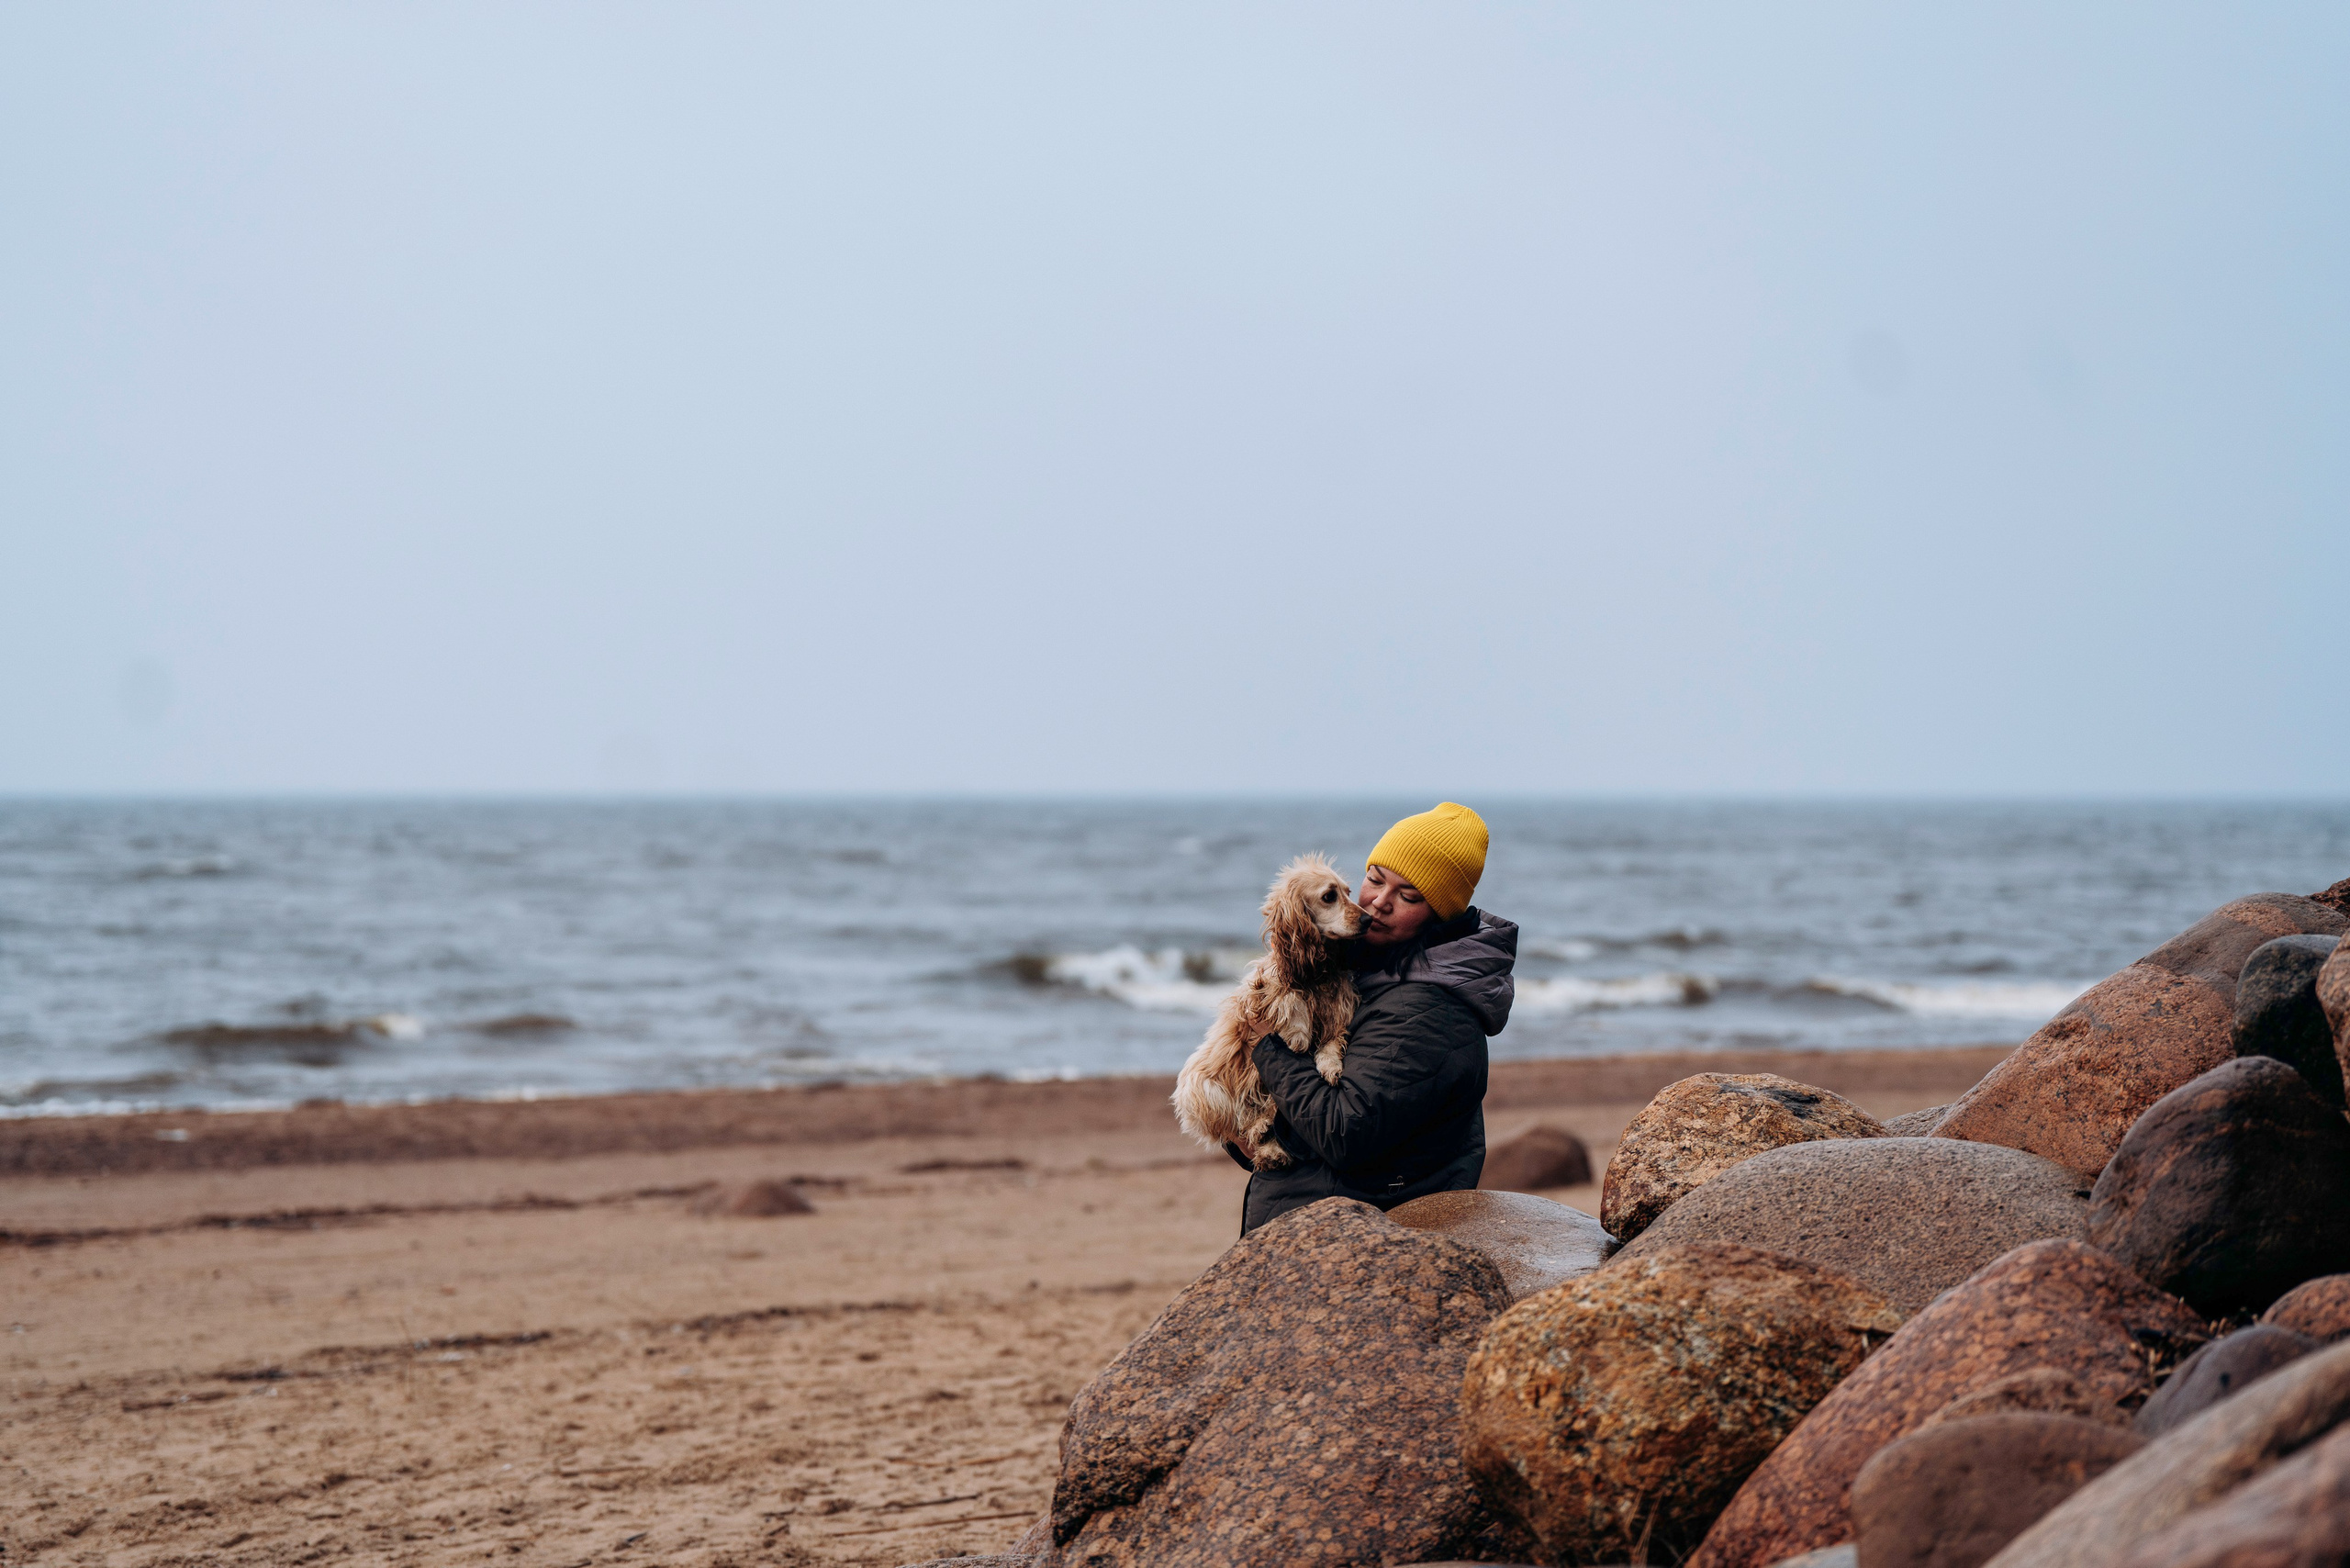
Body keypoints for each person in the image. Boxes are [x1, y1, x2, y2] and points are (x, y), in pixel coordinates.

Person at [1233, 801, 1516, 1235]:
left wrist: (1268, 1045)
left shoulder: (1426, 1009)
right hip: (1323, 1226)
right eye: (1374, 879)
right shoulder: (1367, 970)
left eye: (1408, 896)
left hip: (1355, 1244)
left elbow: (1343, 1132)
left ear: (1440, 913)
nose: (1379, 903)